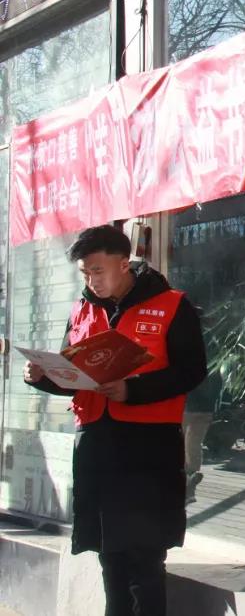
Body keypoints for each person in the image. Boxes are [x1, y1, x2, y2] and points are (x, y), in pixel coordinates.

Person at [23, 225, 208, 616]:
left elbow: (192, 371)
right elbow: (72, 377)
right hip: (96, 444)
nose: (92, 280)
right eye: (85, 273)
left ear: (124, 264)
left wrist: (133, 389)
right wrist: (42, 377)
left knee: (144, 558)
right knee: (109, 554)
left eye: (98, 270)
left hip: (148, 448)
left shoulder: (172, 305)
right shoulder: (82, 309)